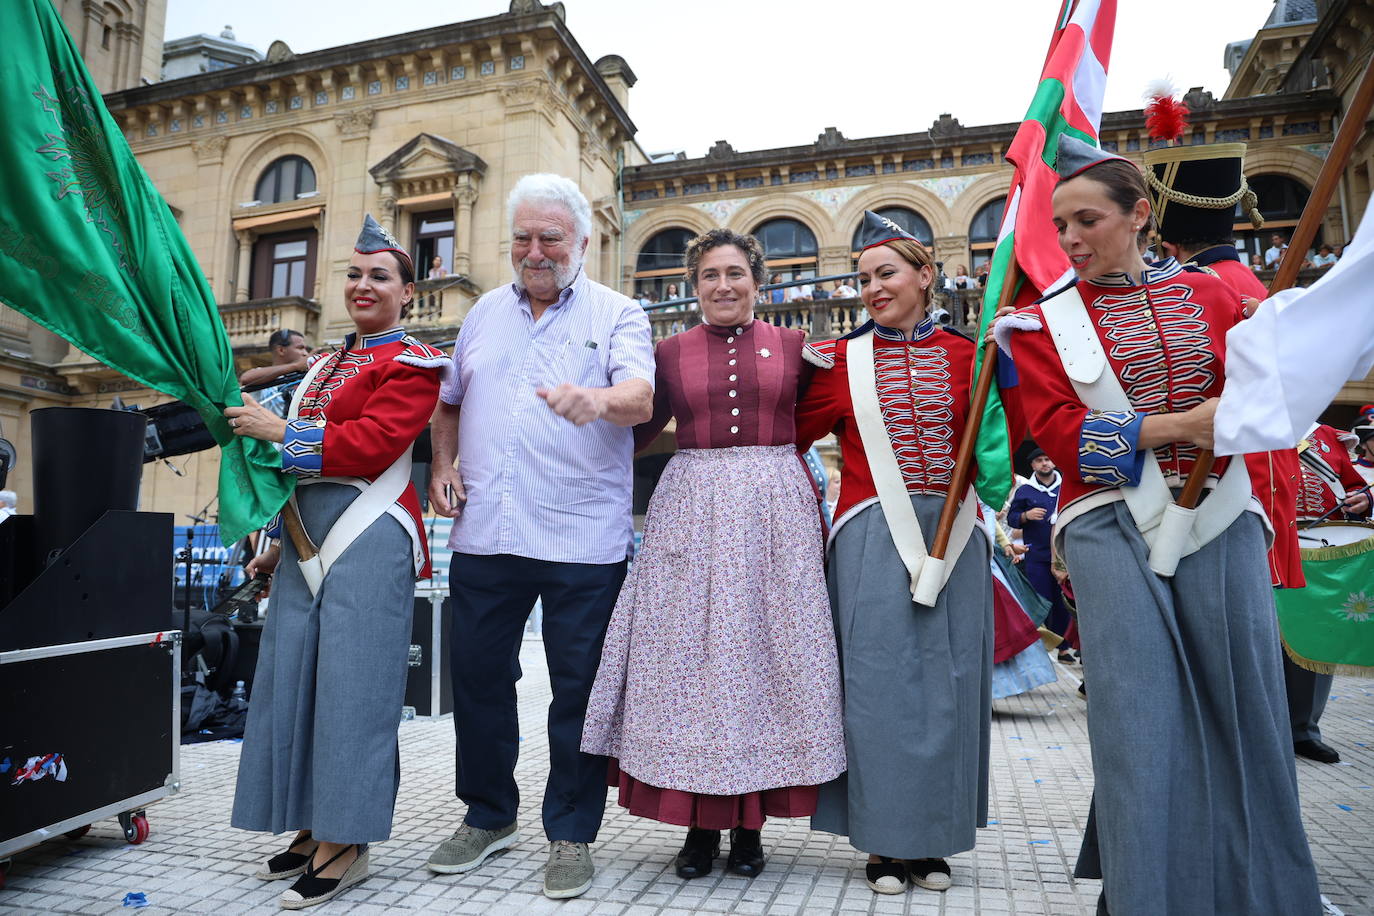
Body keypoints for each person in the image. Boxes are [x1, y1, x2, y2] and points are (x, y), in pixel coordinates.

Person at [996, 134, 1321, 915]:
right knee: (1137, 717)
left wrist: (1265, 351)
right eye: (1061, 226)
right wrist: (1177, 428)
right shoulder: (1043, 324)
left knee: (1247, 710)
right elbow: (1064, 437)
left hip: (1221, 518)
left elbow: (1268, 410)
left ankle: (1259, 894)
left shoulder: (1218, 300)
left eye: (1086, 221)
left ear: (1140, 215)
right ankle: (1143, 896)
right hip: (1109, 525)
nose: (1070, 240)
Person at [581, 228, 845, 881]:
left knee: (762, 654)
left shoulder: (795, 348)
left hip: (772, 510)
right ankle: (699, 828)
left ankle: (749, 828)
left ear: (757, 280)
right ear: (693, 286)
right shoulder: (665, 354)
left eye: (735, 273)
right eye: (709, 276)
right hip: (691, 505)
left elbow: (830, 415)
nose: (723, 286)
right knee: (691, 661)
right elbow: (633, 436)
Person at [424, 173, 655, 901]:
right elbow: (448, 403)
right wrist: (441, 463)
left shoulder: (620, 313)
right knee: (481, 679)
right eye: (523, 237)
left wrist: (597, 398)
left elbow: (641, 396)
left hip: (583, 538)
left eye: (549, 237)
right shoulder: (484, 314)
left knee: (577, 693)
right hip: (488, 531)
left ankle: (572, 833)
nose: (534, 250)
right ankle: (489, 816)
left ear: (582, 242)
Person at [225, 214, 448, 909]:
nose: (363, 285)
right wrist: (267, 546)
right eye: (354, 274)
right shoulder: (322, 364)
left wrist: (279, 428)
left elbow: (373, 444)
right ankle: (310, 819)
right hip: (298, 537)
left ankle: (348, 840)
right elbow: (284, 465)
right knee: (292, 682)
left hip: (370, 530)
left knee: (355, 689)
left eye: (380, 276)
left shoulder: (414, 363)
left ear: (407, 292)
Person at [796, 211, 994, 897]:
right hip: (872, 534)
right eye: (863, 278)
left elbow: (1002, 444)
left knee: (951, 686)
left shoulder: (977, 356)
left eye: (886, 273)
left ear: (926, 275)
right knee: (878, 691)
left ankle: (934, 838)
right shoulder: (837, 364)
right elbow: (784, 436)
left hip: (958, 534)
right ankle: (883, 843)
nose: (873, 288)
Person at [1279, 423, 1372, 764]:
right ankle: (1253, 729)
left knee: (1316, 638)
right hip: (1264, 543)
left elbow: (1355, 485)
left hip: (1320, 554)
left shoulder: (1328, 436)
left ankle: (1302, 730)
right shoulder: (1251, 419)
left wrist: (1364, 499)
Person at [1006, 448, 1074, 661]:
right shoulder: (1025, 491)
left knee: (1064, 603)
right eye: (1039, 460)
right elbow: (1011, 518)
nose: (1045, 463)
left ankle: (1064, 648)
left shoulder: (1066, 487)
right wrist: (1026, 515)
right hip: (1036, 556)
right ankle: (1038, 649)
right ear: (1033, 466)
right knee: (1040, 601)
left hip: (1065, 556)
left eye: (1048, 459)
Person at [238, 329, 310, 388]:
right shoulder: (261, 375)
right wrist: (296, 366)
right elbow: (245, 379)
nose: (305, 353)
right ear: (281, 350)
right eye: (300, 348)